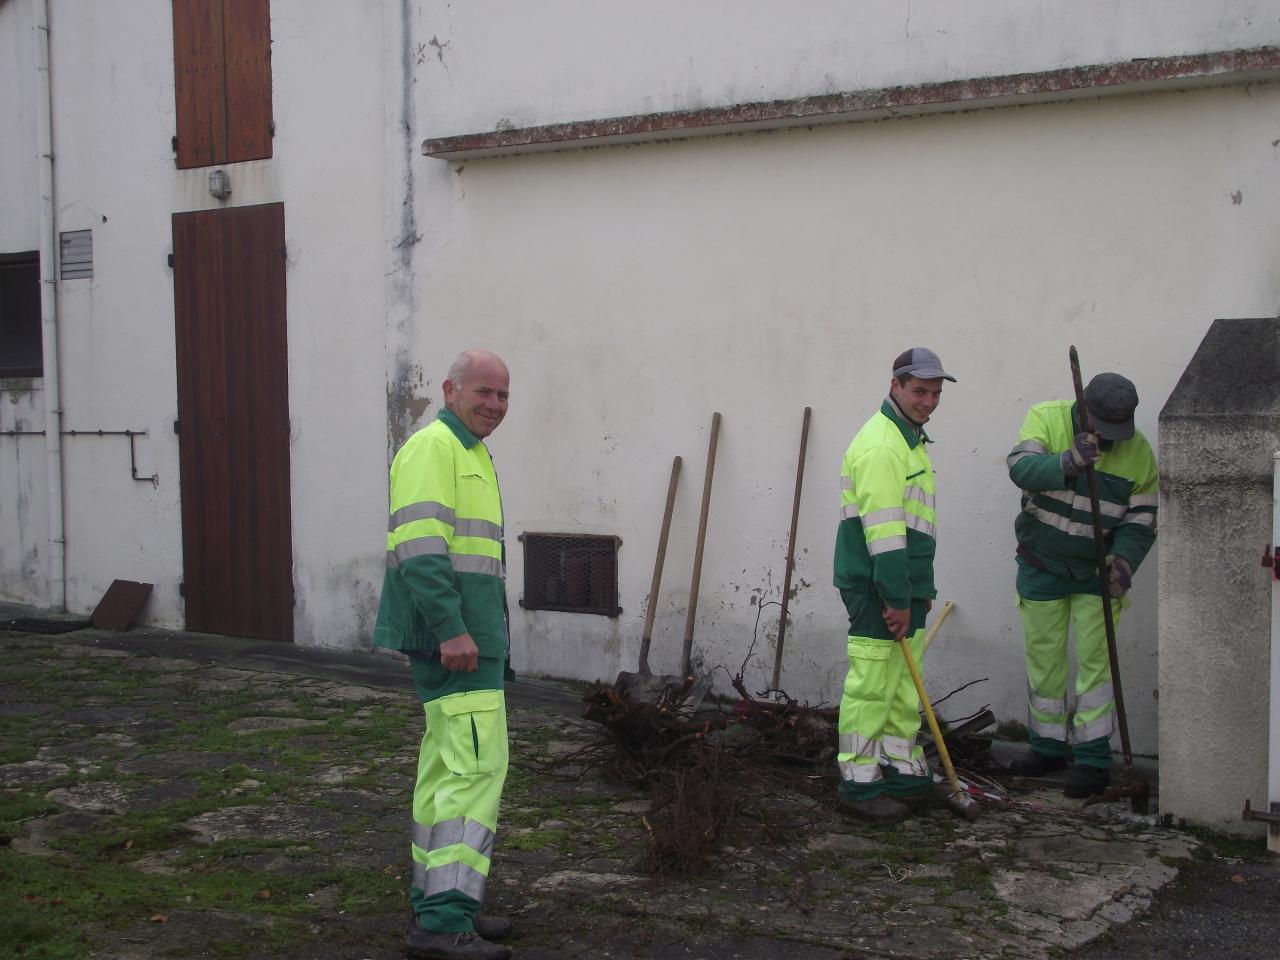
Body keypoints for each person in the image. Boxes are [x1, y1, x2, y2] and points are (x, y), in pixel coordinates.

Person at [374, 349, 514, 960]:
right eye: (483, 392)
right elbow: (421, 548)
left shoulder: (467, 450)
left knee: (445, 771)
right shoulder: (436, 447)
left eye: (503, 396)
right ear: (450, 389)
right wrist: (453, 629)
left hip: (467, 636)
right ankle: (442, 923)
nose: (494, 405)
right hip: (458, 641)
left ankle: (442, 900)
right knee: (473, 772)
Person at [1005, 372, 1157, 798]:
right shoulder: (1047, 419)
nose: (1110, 442)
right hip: (1041, 563)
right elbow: (1020, 468)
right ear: (1084, 409)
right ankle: (1047, 747)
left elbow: (1142, 517)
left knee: (1096, 664)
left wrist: (1124, 562)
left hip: (1096, 573)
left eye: (1116, 433)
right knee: (1044, 659)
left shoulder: (1139, 452)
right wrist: (1066, 462)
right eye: (1103, 431)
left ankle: (1092, 760)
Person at [833, 347, 956, 822]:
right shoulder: (883, 445)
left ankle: (906, 774)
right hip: (879, 587)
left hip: (907, 584)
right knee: (871, 686)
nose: (928, 401)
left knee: (904, 685)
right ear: (896, 386)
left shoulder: (909, 439)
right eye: (919, 391)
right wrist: (896, 598)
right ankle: (859, 786)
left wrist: (912, 592)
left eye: (935, 393)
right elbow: (883, 533)